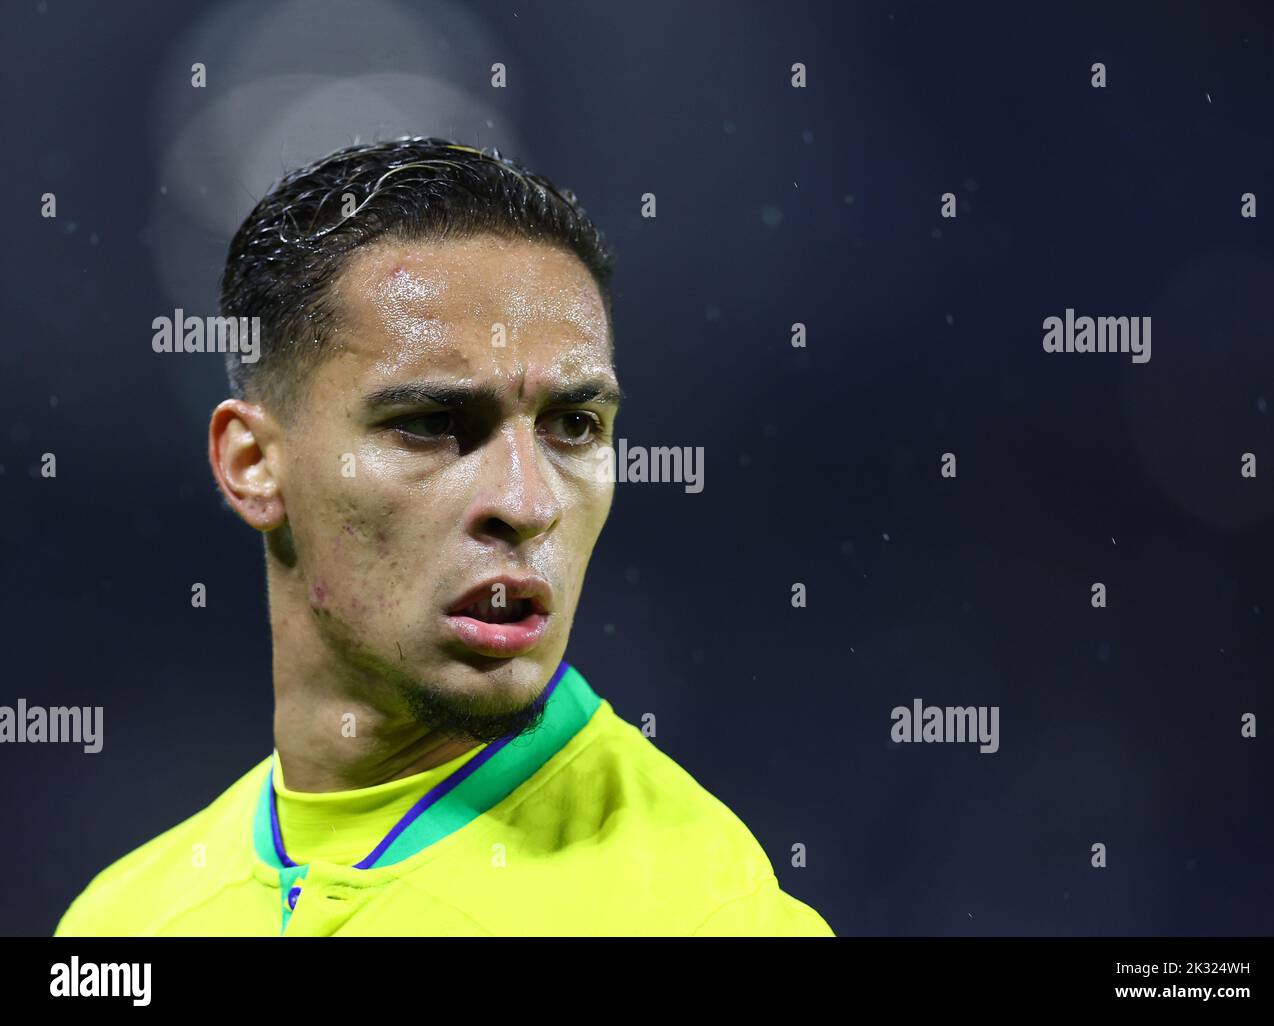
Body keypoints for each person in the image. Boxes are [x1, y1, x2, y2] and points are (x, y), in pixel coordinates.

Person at [55, 138, 834, 936]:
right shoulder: (118, 924)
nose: (527, 504)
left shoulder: (705, 916)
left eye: (573, 425)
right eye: (431, 425)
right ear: (253, 463)